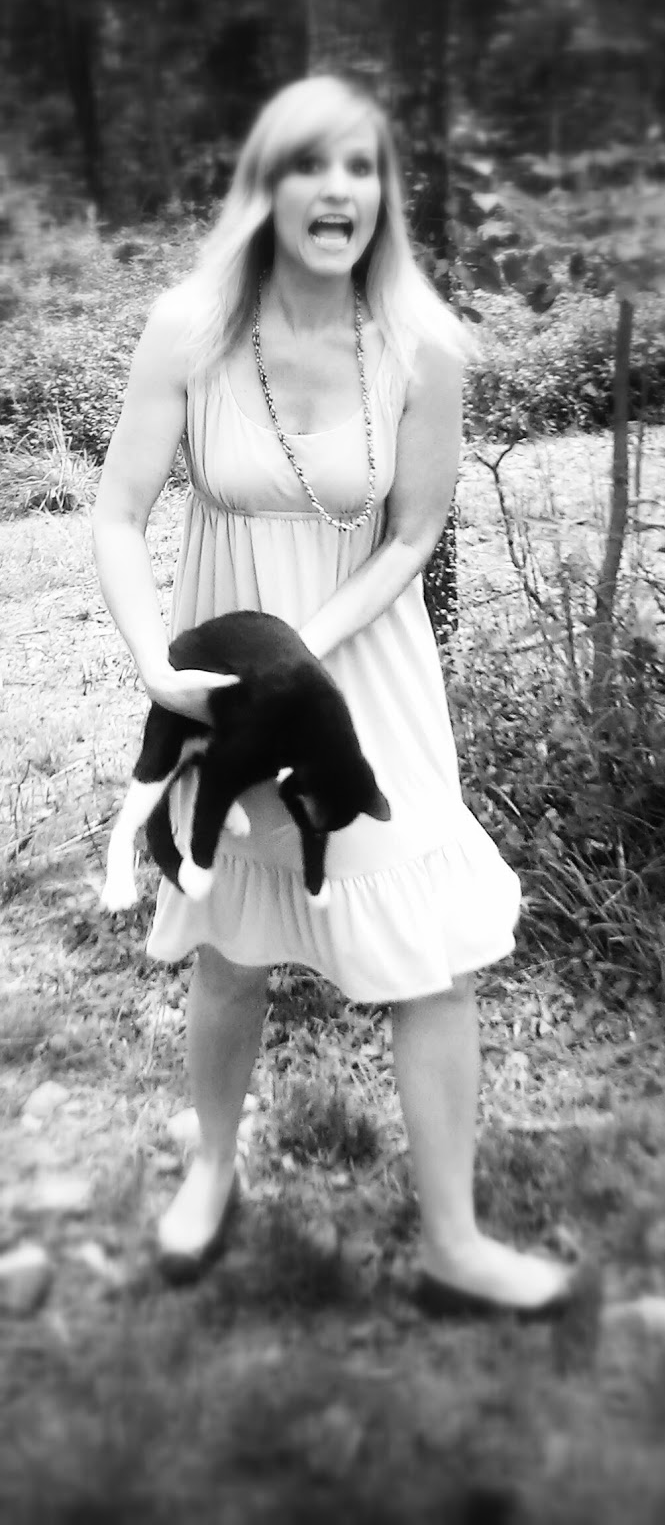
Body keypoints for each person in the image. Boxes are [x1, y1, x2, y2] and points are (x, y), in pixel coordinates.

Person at [92, 75, 576, 1316]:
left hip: (366, 674)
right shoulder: (188, 330)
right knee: (229, 946)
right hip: (220, 674)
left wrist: (298, 653)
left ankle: (453, 1241)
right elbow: (118, 513)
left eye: (361, 167)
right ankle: (211, 1172)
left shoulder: (421, 344)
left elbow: (412, 534)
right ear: (265, 186)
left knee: (432, 958)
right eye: (311, 163)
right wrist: (157, 664)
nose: (339, 190)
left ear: (384, 195)